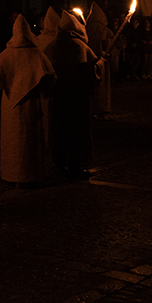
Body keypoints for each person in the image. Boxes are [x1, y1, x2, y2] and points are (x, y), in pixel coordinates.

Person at [0, 14, 56, 186]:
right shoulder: (36, 55)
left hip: (10, 105)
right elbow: (49, 78)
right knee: (30, 138)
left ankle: (12, 174)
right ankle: (31, 174)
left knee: (13, 140)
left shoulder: (5, 55)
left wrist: (9, 86)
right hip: (31, 104)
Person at [47, 9, 100, 178]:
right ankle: (76, 166)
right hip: (76, 97)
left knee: (60, 130)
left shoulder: (53, 44)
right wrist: (100, 65)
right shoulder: (79, 46)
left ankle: (60, 164)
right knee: (76, 131)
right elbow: (90, 71)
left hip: (58, 95)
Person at [85, 2, 112, 118]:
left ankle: (93, 108)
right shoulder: (102, 28)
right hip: (100, 59)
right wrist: (104, 54)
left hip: (89, 60)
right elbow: (103, 44)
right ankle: (102, 108)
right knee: (101, 87)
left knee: (92, 86)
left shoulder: (86, 27)